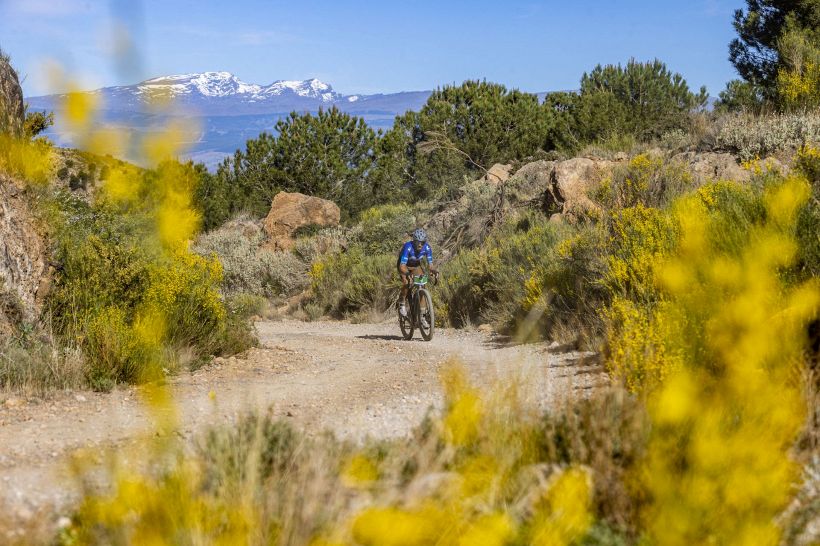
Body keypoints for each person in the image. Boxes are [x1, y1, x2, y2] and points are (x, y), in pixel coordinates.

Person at [397, 228, 436, 319]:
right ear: (414, 241)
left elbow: (431, 265)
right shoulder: (408, 247)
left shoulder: (427, 247)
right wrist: (407, 274)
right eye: (418, 242)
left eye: (422, 242)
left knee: (422, 284)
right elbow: (402, 266)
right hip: (404, 266)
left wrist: (434, 270)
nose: (420, 245)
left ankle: (422, 315)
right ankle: (402, 303)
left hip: (415, 266)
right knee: (407, 282)